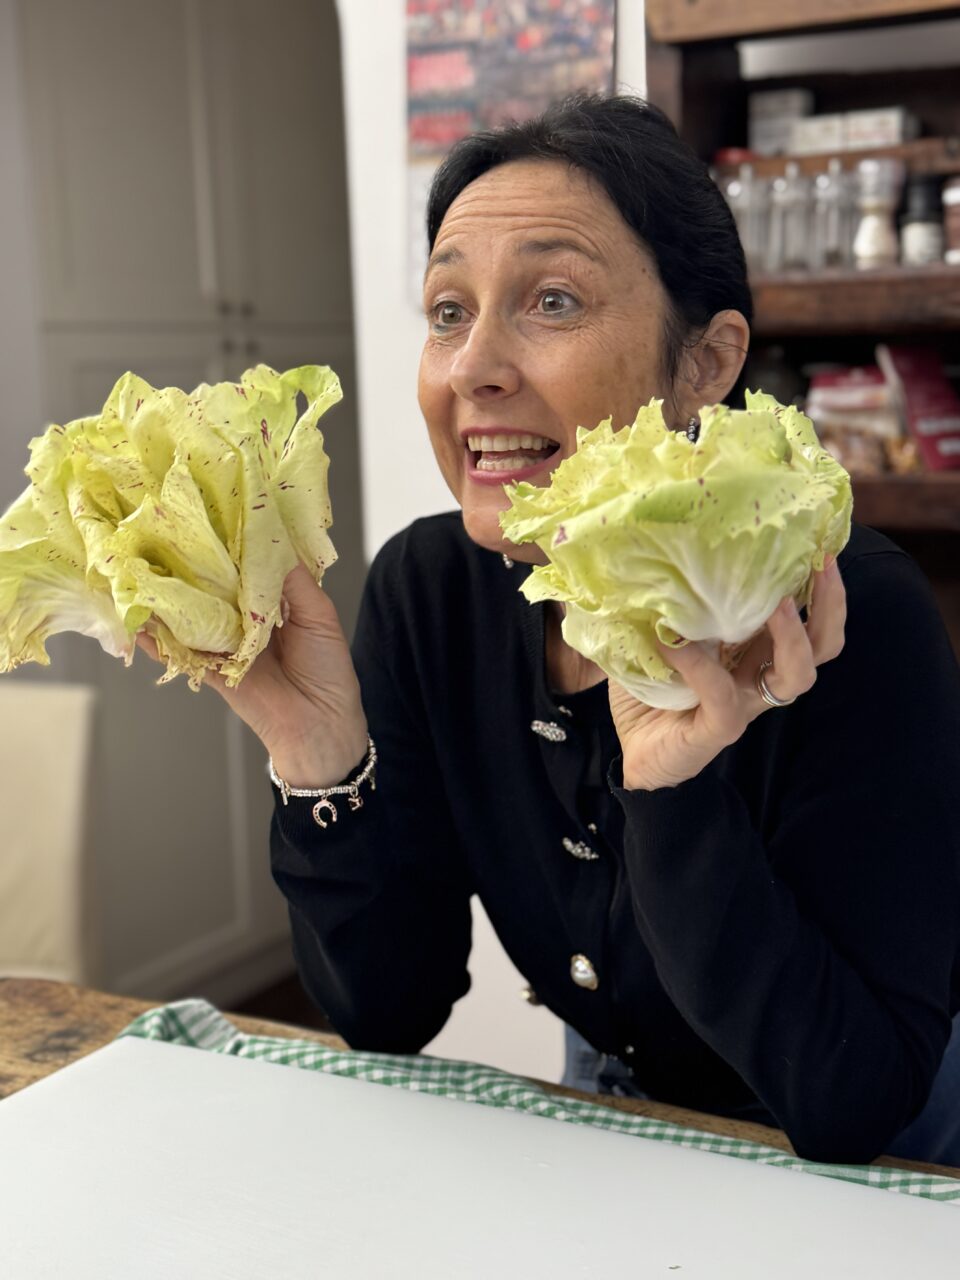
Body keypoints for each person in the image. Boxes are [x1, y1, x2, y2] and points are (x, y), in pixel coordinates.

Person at [194, 96, 960, 1166]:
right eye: (448, 311)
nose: (473, 367)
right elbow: (387, 1009)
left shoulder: (836, 609)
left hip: (878, 1158)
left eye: (552, 300)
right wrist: (321, 760)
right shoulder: (430, 588)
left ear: (707, 363)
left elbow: (852, 1098)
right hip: (611, 1124)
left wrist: (675, 789)